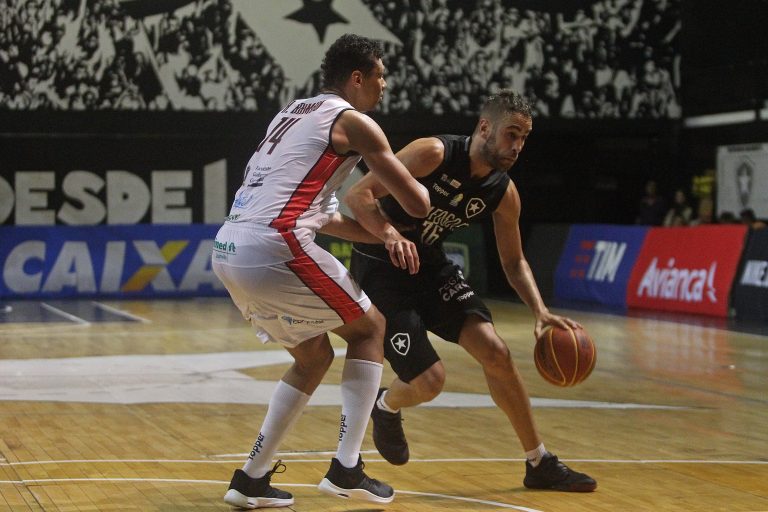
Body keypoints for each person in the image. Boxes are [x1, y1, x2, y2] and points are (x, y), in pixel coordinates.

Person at [211, 33, 431, 509]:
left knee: (312, 358)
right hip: (275, 245)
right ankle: (347, 468)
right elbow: (417, 203)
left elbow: (325, 218)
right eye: (380, 75)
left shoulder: (292, 114)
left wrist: (386, 235)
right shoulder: (355, 123)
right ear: (357, 78)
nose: (385, 85)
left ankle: (250, 478)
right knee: (370, 328)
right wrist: (423, 186)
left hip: (230, 246)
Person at [345, 89, 597, 492]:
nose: (517, 146)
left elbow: (514, 262)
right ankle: (386, 405)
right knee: (430, 381)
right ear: (484, 127)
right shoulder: (432, 153)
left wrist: (540, 311)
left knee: (496, 352)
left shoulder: (504, 192)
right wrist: (390, 234)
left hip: (430, 265)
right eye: (511, 134)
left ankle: (539, 462)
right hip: (381, 266)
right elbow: (358, 196)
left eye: (524, 138)